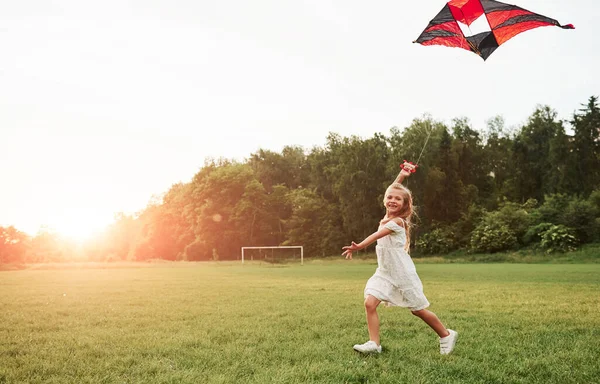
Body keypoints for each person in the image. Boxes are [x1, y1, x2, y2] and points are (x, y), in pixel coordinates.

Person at [342, 161, 457, 355]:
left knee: (417, 309)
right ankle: (374, 344)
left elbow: (376, 236)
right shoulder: (387, 215)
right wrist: (402, 175)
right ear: (385, 199)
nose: (393, 200)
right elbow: (392, 189)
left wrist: (360, 245)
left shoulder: (397, 221)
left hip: (402, 273)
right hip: (385, 272)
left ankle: (446, 334)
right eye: (390, 197)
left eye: (398, 199)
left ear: (405, 205)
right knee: (370, 303)